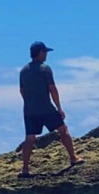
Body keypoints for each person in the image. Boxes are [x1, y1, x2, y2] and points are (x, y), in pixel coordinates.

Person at [18, 41, 84, 177]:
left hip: (29, 111)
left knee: (30, 139)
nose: (46, 55)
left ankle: (25, 169)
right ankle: (73, 157)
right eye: (45, 52)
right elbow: (52, 89)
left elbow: (22, 90)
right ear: (41, 53)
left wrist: (29, 102)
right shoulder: (45, 69)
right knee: (63, 130)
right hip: (46, 108)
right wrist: (59, 108)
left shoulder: (23, 70)